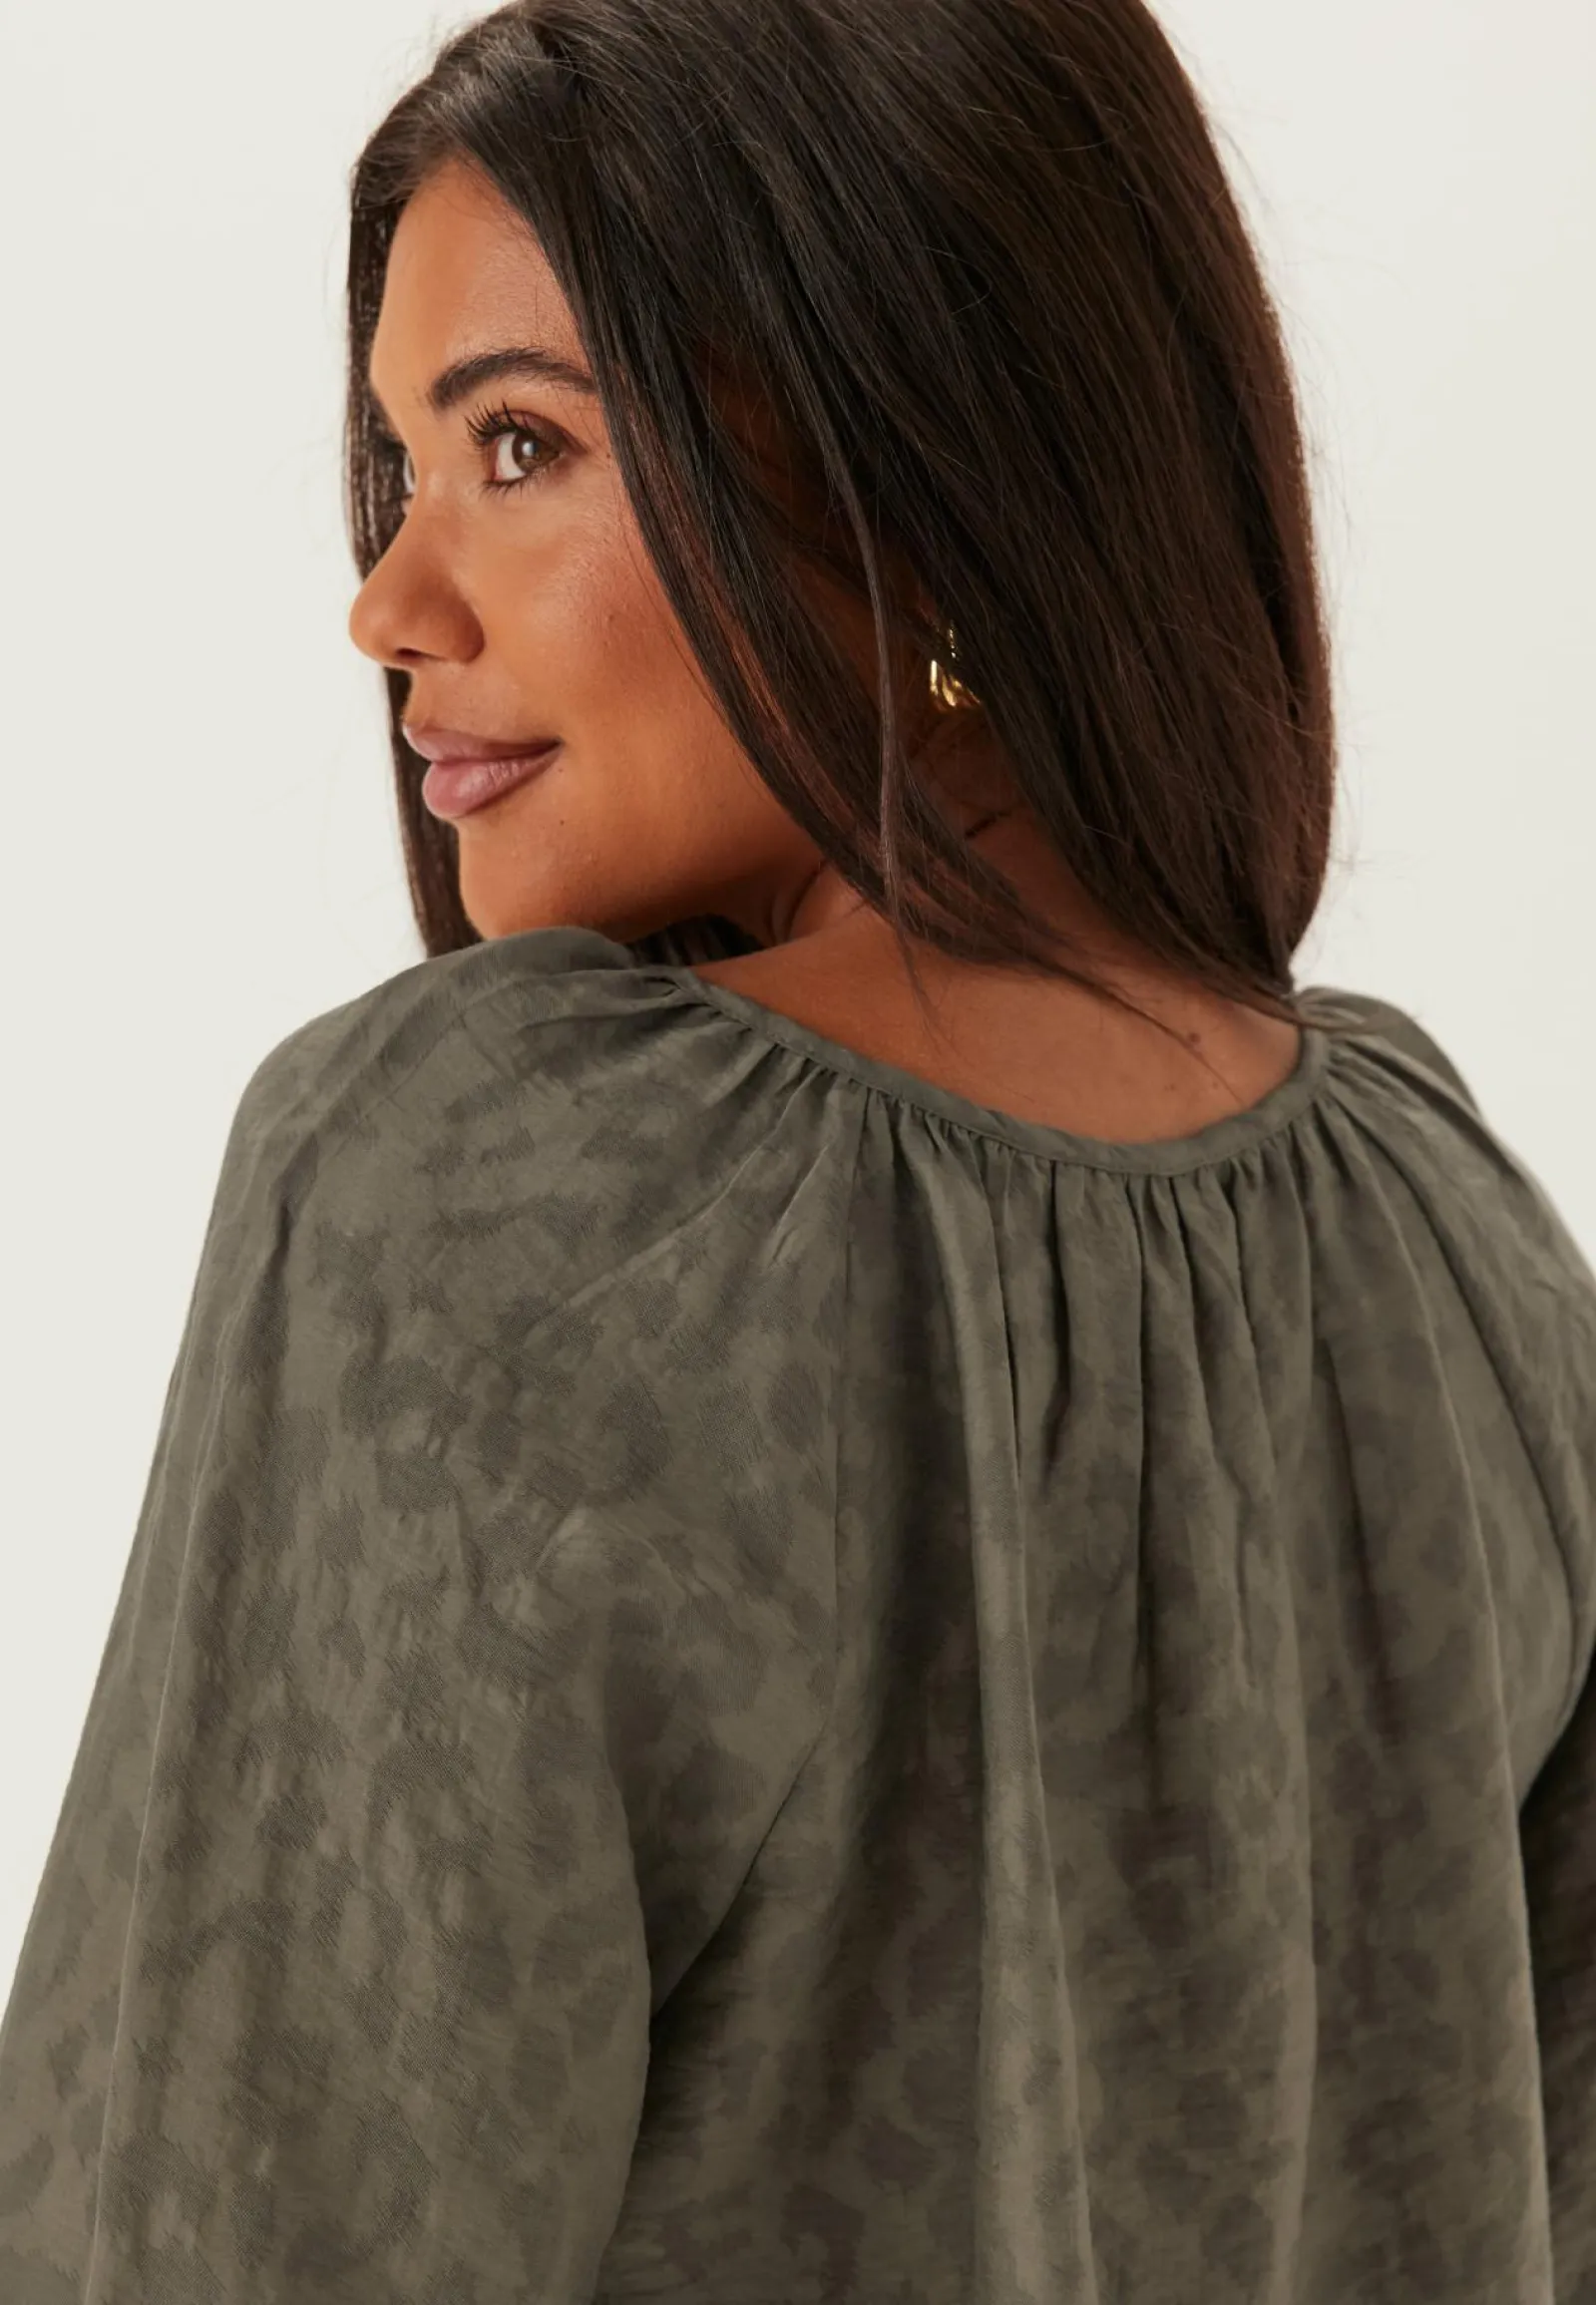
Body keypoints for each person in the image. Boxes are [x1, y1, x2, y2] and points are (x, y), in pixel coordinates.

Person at [1, 1, 1592, 2298]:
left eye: (520, 447)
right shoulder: (1464, 1264)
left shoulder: (502, 1207)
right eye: (401, 469)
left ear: (910, 469)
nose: (388, 605)